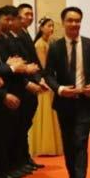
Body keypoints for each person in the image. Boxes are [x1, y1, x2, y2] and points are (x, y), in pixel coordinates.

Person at [44, 7, 90, 178]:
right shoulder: (55, 47)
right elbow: (48, 74)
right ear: (63, 23)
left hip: (85, 101)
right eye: (70, 20)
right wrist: (60, 89)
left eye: (77, 20)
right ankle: (73, 175)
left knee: (80, 141)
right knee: (69, 142)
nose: (74, 24)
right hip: (64, 101)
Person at [29, 17, 64, 156]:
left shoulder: (50, 42)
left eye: (52, 26)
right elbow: (43, 66)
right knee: (46, 113)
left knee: (52, 112)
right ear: (41, 28)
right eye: (49, 26)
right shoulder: (40, 44)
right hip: (45, 80)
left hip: (51, 78)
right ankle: (44, 145)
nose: (51, 28)